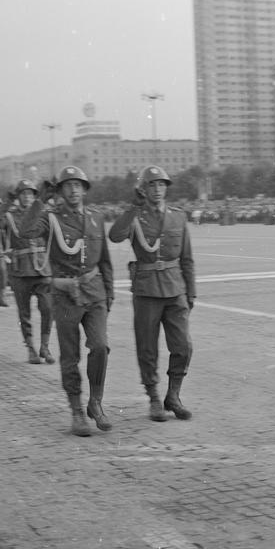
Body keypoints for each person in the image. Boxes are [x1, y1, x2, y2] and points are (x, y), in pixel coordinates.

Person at [18, 165, 114, 437]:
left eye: (78, 185)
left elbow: (104, 258)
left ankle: (95, 402)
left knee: (100, 346)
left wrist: (109, 292)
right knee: (70, 356)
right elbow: (25, 232)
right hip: (65, 295)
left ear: (85, 189)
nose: (73, 190)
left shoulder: (96, 217)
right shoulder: (51, 218)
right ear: (59, 191)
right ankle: (76, 411)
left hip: (94, 291)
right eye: (67, 185)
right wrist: (40, 201)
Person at [108, 165, 196, 422]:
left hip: (175, 288)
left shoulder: (178, 217)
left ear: (166, 188)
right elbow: (114, 236)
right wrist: (133, 208)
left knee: (183, 346)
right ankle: (154, 398)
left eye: (161, 185)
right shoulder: (135, 215)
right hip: (147, 290)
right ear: (143, 190)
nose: (157, 190)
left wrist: (191, 292)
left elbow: (187, 257)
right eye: (151, 185)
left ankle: (174, 395)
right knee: (147, 348)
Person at [0, 178, 55, 365]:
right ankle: (30, 348)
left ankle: (45, 346)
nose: (27, 197)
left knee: (48, 308)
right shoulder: (10, 216)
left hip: (42, 269)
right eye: (23, 194)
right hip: (20, 271)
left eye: (30, 193)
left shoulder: (43, 213)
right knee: (24, 313)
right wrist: (7, 202)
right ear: (18, 197)